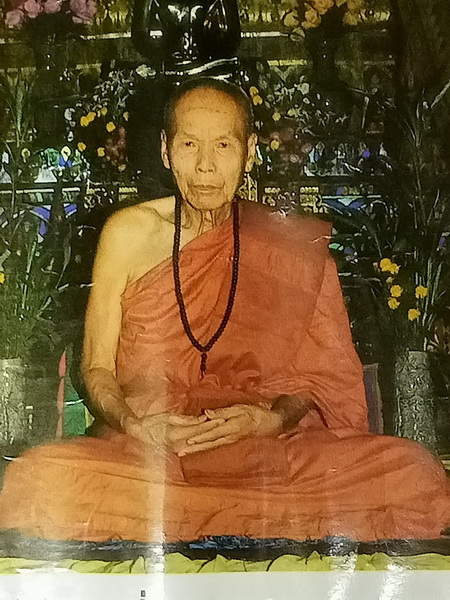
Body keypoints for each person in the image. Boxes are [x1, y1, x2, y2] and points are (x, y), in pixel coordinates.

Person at [0, 78, 448, 543]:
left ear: (250, 152)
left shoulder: (286, 247)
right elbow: (96, 366)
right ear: (166, 150)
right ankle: (245, 518)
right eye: (189, 145)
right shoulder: (128, 233)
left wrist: (271, 419)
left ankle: (203, 517)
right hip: (152, 452)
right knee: (37, 478)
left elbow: (311, 380)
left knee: (413, 472)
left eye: (223, 146)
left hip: (262, 448)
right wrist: (136, 424)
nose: (206, 166)